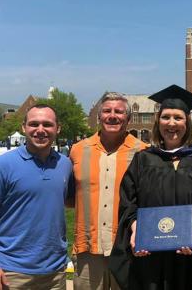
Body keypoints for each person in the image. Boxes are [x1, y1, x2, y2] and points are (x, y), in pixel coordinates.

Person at [109, 85, 192, 290]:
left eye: (178, 118)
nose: (171, 123)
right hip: (150, 261)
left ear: (188, 123)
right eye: (166, 117)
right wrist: (135, 227)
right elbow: (128, 203)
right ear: (158, 122)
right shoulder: (143, 160)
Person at [0, 104, 73, 289]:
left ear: (58, 128)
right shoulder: (2, 166)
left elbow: (66, 202)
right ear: (24, 127)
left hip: (55, 271)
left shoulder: (65, 164)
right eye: (34, 124)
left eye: (47, 124)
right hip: (12, 272)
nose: (40, 130)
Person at [69, 92, 147, 290]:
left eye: (119, 112)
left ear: (128, 119)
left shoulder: (143, 152)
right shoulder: (78, 150)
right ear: (99, 116)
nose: (112, 116)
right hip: (88, 250)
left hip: (127, 249)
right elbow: (70, 197)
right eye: (107, 111)